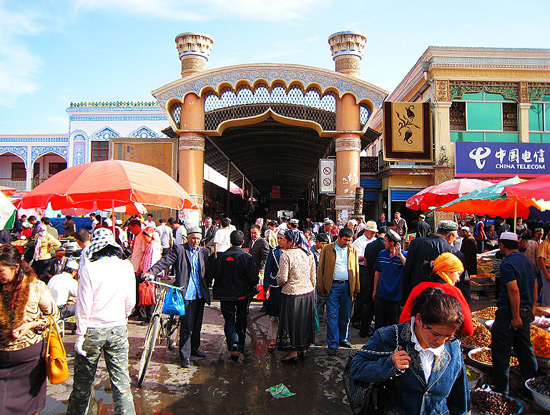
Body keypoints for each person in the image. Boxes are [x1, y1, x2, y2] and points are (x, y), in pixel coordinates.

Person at [350, 288, 470, 415]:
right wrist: (388, 365)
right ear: (419, 320)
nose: (441, 341)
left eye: (448, 336)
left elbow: (459, 396)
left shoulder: (453, 346)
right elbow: (356, 368)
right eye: (435, 334)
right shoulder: (388, 338)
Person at [67, 228, 136, 415]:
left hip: (92, 329)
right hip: (118, 327)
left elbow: (83, 305)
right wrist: (123, 316)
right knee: (121, 381)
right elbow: (131, 302)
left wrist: (79, 335)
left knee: (83, 383)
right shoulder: (126, 266)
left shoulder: (89, 267)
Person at [0, 244, 59, 415]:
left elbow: (53, 317)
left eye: (1, 271)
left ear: (15, 267)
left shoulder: (36, 286)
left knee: (29, 408)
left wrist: (31, 325)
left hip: (29, 361)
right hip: (2, 357)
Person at [144, 228, 211, 368]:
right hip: (186, 293)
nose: (196, 241)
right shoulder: (180, 250)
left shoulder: (204, 252)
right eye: (193, 238)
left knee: (197, 324)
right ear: (188, 238)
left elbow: (208, 270)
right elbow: (165, 261)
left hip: (199, 294)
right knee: (186, 325)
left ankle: (194, 348)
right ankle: (184, 355)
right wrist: (151, 272)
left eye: (198, 239)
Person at [491, 232, 538, 394]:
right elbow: (535, 287)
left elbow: (513, 290)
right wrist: (530, 310)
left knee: (501, 353)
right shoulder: (528, 262)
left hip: (509, 314)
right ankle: (532, 387)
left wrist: (516, 316)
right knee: (525, 350)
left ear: (502, 246)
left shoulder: (507, 264)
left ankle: (501, 391)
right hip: (525, 311)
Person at [400, 252, 474, 337]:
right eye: (458, 274)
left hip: (417, 340)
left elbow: (404, 320)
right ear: (448, 271)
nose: (458, 279)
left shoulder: (418, 288)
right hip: (445, 343)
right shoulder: (453, 292)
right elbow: (468, 330)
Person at [213, 230, 258, 361]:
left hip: (225, 295)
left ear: (230, 241)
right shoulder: (246, 257)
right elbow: (254, 277)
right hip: (242, 294)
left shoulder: (222, 256)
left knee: (229, 320)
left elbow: (216, 274)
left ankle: (233, 342)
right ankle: (240, 344)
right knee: (242, 318)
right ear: (242, 242)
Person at [317, 227, 360, 355]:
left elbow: (356, 268)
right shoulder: (327, 249)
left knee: (345, 315)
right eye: (345, 240)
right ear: (339, 238)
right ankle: (332, 343)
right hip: (332, 287)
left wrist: (356, 287)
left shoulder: (352, 249)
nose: (347, 242)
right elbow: (321, 269)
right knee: (332, 316)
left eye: (349, 240)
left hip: (347, 286)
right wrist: (321, 286)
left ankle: (343, 338)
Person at [276, 229, 316, 363]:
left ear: (291, 241)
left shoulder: (286, 255)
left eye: (285, 240)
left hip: (291, 293)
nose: (283, 242)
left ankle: (292, 353)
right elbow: (313, 276)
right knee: (303, 322)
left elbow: (282, 278)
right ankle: (303, 349)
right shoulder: (308, 253)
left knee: (291, 324)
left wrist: (278, 282)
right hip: (307, 293)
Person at [401, 220, 462, 305]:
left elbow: (407, 271)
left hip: (416, 296)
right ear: (451, 236)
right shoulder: (454, 252)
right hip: (441, 301)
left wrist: (404, 300)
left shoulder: (416, 243)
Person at [373, 229, 407, 329]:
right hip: (381, 293)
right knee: (380, 322)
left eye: (386, 241)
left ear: (392, 243)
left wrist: (400, 255)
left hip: (395, 296)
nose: (384, 242)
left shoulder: (404, 255)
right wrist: (375, 289)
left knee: (394, 323)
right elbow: (377, 272)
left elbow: (408, 267)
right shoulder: (382, 254)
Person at [358, 226, 387, 337]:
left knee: (369, 304)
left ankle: (363, 329)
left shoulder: (369, 246)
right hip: (382, 281)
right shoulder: (385, 248)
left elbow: (365, 262)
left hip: (369, 277)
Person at [263, 230, 287, 351]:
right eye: (278, 238)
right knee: (274, 315)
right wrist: (266, 288)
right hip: (275, 287)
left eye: (282, 238)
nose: (279, 240)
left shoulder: (292, 253)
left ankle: (285, 338)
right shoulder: (273, 252)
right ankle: (273, 338)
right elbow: (267, 270)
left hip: (288, 288)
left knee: (286, 315)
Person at [350, 220, 377, 327]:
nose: (373, 235)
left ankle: (367, 318)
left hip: (372, 270)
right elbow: (354, 256)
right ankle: (357, 318)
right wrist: (364, 258)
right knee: (362, 295)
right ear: (366, 231)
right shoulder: (359, 242)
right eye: (371, 232)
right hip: (362, 270)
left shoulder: (374, 241)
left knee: (370, 295)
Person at [538, 225, 550, 305]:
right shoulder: (544, 244)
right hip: (547, 269)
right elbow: (540, 259)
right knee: (548, 292)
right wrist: (546, 273)